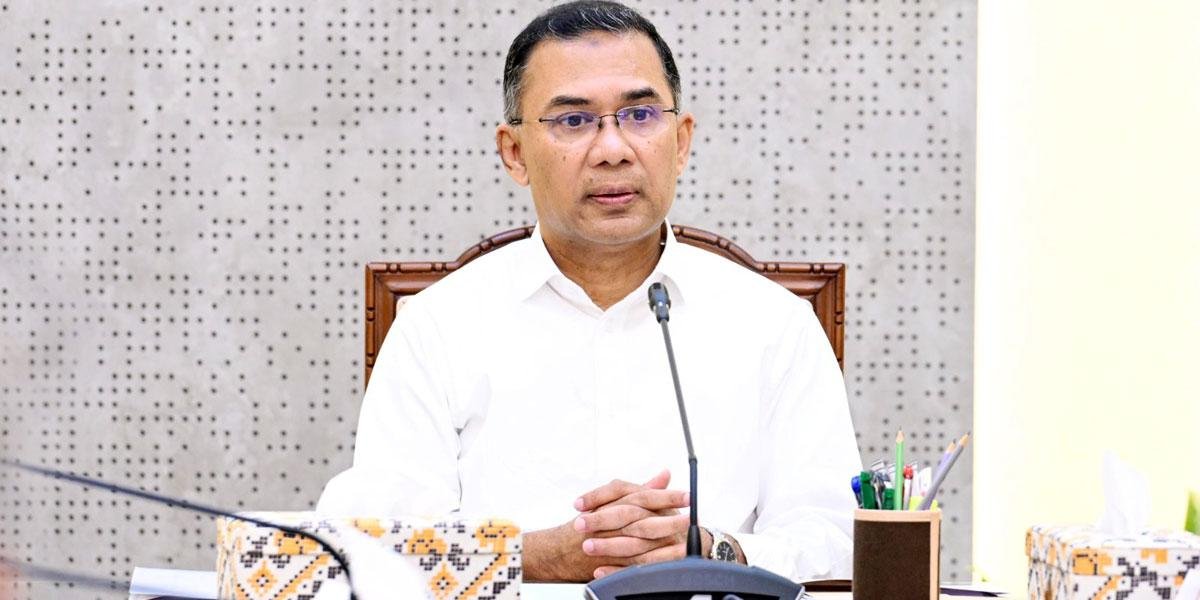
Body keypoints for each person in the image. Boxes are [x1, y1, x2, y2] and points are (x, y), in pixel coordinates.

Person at [317, 0, 861, 582]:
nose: (613, 149)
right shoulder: (438, 326)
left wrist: (711, 551)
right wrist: (543, 555)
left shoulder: (773, 323)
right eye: (574, 121)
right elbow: (370, 544)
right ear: (515, 153)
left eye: (641, 115)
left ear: (681, 142)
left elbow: (839, 536)